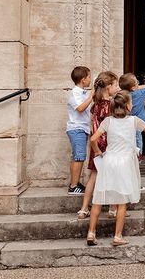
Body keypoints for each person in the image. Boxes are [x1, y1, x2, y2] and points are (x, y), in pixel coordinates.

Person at [85, 91, 145, 246]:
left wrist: (99, 151)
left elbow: (93, 139)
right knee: (121, 201)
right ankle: (117, 236)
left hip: (109, 161)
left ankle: (91, 233)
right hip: (125, 162)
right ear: (127, 106)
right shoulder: (134, 121)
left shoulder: (107, 121)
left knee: (98, 199)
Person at [77, 71, 119, 220]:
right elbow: (110, 127)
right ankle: (113, 209)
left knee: (93, 177)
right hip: (107, 143)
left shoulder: (96, 104)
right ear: (108, 87)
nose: (118, 88)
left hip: (95, 144)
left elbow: (94, 125)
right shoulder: (110, 105)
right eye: (115, 85)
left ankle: (83, 209)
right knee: (114, 177)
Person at [66, 66, 94, 196]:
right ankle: (73, 186)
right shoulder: (74, 93)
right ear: (83, 79)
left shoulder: (84, 92)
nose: (90, 79)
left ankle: (76, 183)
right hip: (77, 128)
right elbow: (81, 108)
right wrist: (91, 96)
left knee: (78, 157)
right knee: (79, 157)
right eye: (89, 77)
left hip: (83, 128)